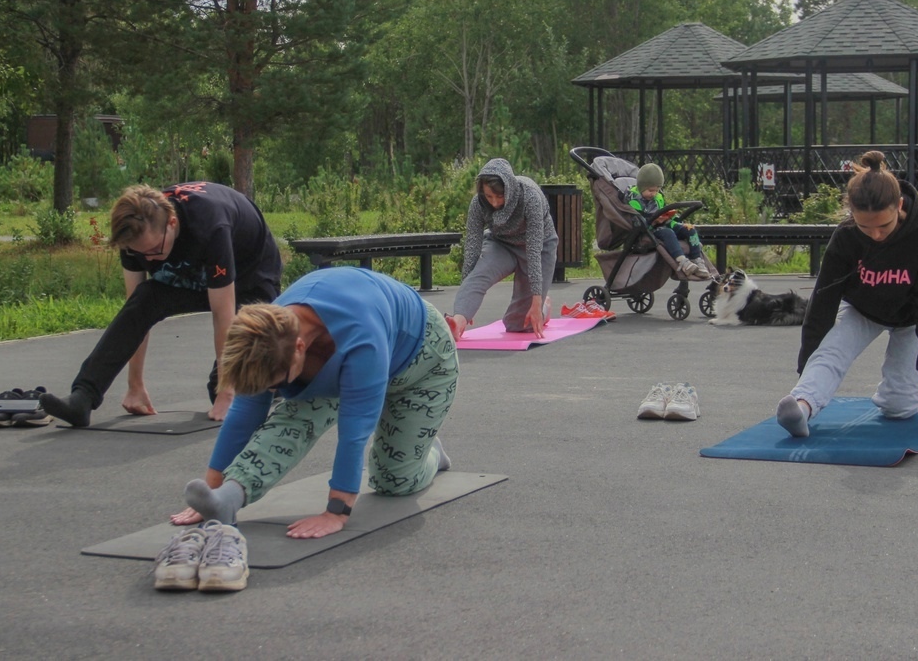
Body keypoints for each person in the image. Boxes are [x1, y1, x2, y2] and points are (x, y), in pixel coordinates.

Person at [174, 266, 457, 538]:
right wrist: (212, 492)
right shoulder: (268, 334)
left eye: (277, 386)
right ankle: (229, 498)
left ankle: (430, 453)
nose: (274, 392)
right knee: (294, 420)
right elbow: (245, 413)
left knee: (394, 482)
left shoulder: (360, 336)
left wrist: (336, 512)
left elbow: (355, 430)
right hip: (350, 357)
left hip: (423, 363)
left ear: (299, 347)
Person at [40, 182, 283, 427]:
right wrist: (135, 385)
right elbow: (135, 313)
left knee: (225, 390)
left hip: (250, 281)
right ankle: (83, 396)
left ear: (172, 224)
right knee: (145, 298)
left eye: (155, 250)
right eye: (141, 254)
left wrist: (226, 390)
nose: (150, 259)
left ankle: (282, 377)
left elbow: (223, 312)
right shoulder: (133, 233)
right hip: (193, 277)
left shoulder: (210, 226)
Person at [774, 151, 918, 438]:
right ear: (851, 214)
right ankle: (802, 407)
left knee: (899, 408)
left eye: (884, 226)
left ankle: (895, 394)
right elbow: (822, 305)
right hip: (863, 311)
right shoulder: (845, 238)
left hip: (911, 318)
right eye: (865, 227)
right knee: (832, 351)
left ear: (899, 205)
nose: (876, 235)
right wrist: (808, 369)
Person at [446, 158, 558, 339]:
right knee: (479, 274)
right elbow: (472, 248)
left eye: (499, 196)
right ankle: (457, 323)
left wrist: (536, 301)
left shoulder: (530, 197)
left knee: (519, 325)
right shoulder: (478, 204)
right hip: (502, 244)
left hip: (539, 246)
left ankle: (545, 306)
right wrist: (466, 306)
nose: (495, 203)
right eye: (489, 196)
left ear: (510, 188)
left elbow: (534, 250)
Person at [627, 163, 715, 280]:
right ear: (641, 187)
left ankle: (697, 259)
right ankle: (682, 261)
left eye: (657, 190)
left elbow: (664, 213)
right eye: (650, 190)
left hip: (663, 223)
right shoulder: (634, 201)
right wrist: (654, 221)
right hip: (650, 230)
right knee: (668, 233)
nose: (654, 194)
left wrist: (671, 219)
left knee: (690, 229)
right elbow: (638, 222)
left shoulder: (658, 197)